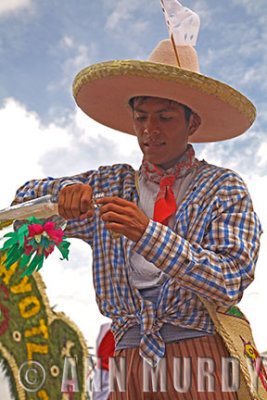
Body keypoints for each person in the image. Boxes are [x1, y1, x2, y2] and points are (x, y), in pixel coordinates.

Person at [12, 37, 262, 399]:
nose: (149, 129)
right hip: (127, 361)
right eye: (141, 117)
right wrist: (62, 195)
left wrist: (148, 234)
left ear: (192, 124)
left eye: (165, 117)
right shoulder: (110, 183)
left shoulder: (223, 187)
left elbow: (230, 280)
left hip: (201, 358)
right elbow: (23, 203)